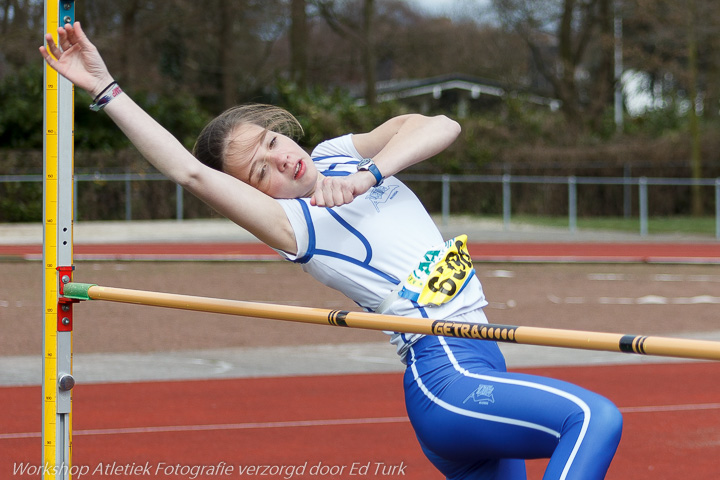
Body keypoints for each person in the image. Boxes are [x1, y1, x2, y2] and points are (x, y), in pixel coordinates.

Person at [40, 22, 623, 480]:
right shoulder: (294, 225)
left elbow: (439, 124)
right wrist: (106, 88)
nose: (280, 158)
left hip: (482, 358)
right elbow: (188, 173)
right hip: (444, 375)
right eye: (259, 169)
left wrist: (371, 173)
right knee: (593, 418)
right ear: (251, 192)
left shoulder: (341, 152)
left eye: (272, 140)